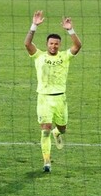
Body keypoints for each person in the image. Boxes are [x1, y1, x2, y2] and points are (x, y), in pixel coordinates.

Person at [25, 12, 82, 173]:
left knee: (62, 128)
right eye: (51, 43)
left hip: (60, 99)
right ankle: (47, 161)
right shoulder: (39, 56)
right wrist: (34, 26)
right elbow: (27, 44)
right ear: (47, 44)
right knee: (45, 129)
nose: (53, 46)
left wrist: (70, 30)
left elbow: (77, 46)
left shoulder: (65, 57)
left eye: (56, 44)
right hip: (43, 99)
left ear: (59, 45)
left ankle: (58, 133)